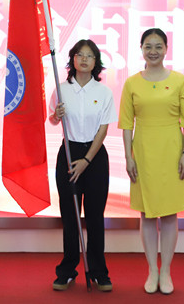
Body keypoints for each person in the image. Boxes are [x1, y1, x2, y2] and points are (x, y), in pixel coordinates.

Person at [118, 28, 184, 295]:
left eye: (158, 46)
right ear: (141, 49)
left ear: (166, 49)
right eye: (148, 46)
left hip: (172, 151)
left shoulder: (179, 81)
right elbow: (126, 125)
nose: (153, 51)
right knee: (147, 213)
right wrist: (128, 157)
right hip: (143, 151)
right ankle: (152, 269)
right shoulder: (132, 83)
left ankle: (166, 271)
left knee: (170, 213)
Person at [48, 39, 117, 292]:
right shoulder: (61, 89)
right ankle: (67, 270)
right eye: (80, 55)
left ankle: (99, 271)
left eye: (89, 55)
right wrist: (56, 115)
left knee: (95, 217)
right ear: (72, 59)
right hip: (69, 152)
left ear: (96, 61)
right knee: (70, 217)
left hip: (95, 156)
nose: (84, 59)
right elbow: (53, 120)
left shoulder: (104, 92)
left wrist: (86, 161)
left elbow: (103, 130)